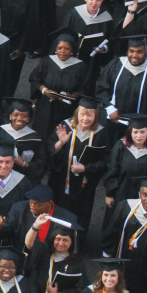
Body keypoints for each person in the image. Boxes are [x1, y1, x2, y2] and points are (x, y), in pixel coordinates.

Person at [48, 97, 108, 232]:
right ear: (77, 114)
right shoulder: (65, 126)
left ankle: (77, 244)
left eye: (89, 115)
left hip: (84, 184)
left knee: (81, 212)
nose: (85, 118)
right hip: (62, 180)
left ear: (96, 116)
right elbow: (50, 150)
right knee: (59, 210)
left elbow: (105, 160)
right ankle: (55, 240)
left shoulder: (101, 133)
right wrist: (61, 143)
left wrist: (86, 168)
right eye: (82, 114)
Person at [95, 39, 147, 141]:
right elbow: (102, 88)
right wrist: (110, 108)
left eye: (139, 51)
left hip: (140, 130)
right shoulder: (116, 65)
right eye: (131, 51)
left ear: (146, 51)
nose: (134, 55)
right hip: (113, 124)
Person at [28, 29, 88, 142]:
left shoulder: (80, 66)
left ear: (72, 50)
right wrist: (45, 90)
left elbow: (84, 88)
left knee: (60, 135)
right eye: (59, 48)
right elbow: (34, 78)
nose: (62, 51)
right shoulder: (48, 61)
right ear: (55, 48)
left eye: (67, 49)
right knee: (41, 133)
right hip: (45, 106)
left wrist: (70, 96)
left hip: (66, 108)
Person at [59, 0, 114, 95]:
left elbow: (111, 40)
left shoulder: (106, 18)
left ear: (102, 0)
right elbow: (62, 36)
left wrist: (104, 49)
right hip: (73, 57)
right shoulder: (74, 14)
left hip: (92, 61)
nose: (94, 3)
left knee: (89, 86)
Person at [0, 98, 49, 186]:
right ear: (10, 115)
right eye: (15, 115)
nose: (19, 119)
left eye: (24, 116)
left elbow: (42, 163)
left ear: (29, 118)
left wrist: (24, 164)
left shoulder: (36, 138)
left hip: (22, 181)